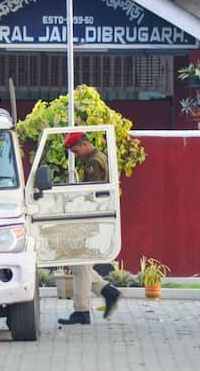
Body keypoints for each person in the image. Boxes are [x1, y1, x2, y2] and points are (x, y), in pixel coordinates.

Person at [57, 132, 120, 325]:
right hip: (95, 218)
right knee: (79, 264)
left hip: (91, 218)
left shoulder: (93, 163)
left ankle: (82, 311)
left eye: (76, 151)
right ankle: (108, 292)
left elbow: (91, 192)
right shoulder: (97, 158)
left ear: (84, 144)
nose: (76, 155)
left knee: (80, 263)